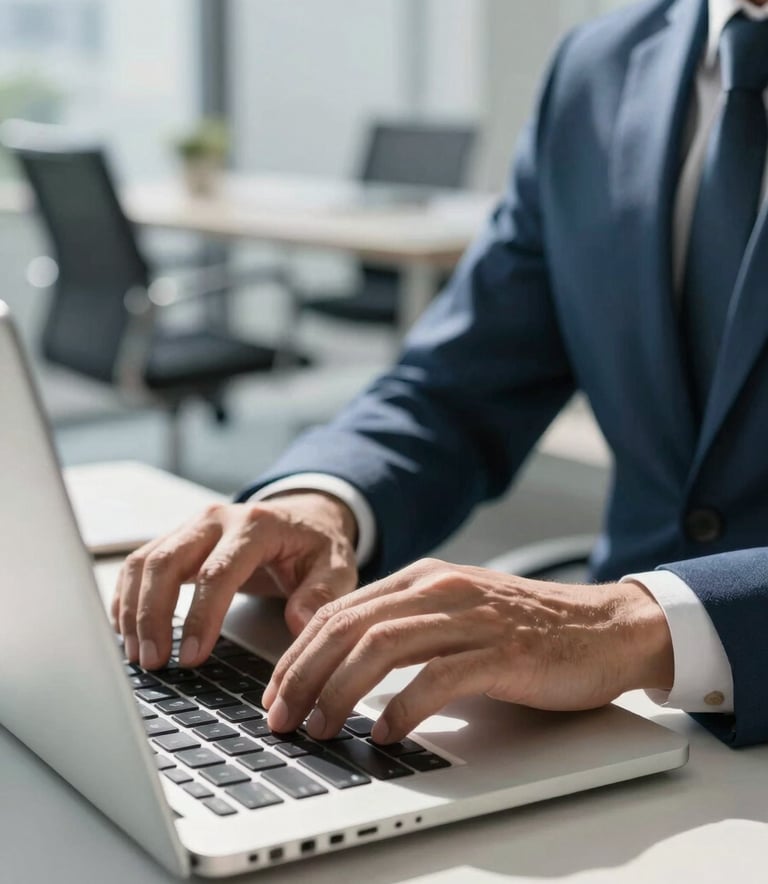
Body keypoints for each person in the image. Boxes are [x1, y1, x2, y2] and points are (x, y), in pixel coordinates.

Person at [113, 0, 768, 749]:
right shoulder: (600, 67)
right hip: (609, 728)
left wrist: (642, 624)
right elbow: (459, 383)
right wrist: (326, 500)